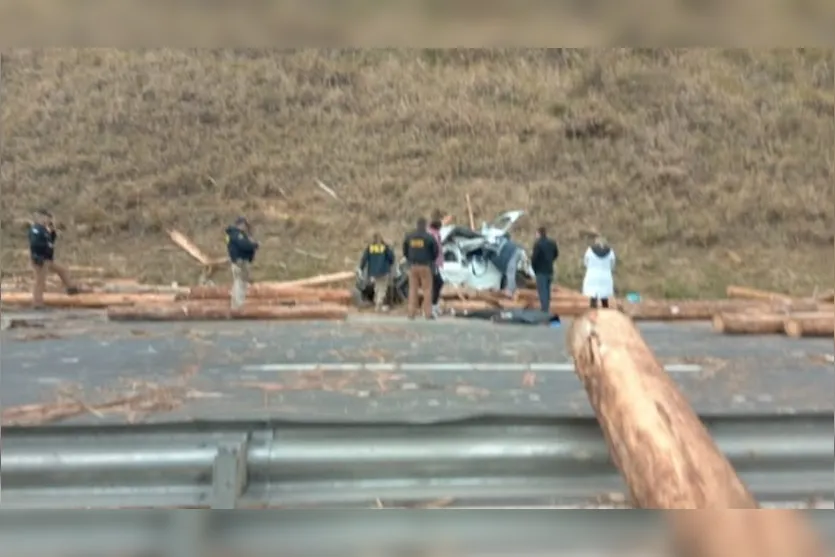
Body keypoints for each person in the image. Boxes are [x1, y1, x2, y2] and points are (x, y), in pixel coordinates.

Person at [28, 209, 80, 309]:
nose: (48, 220)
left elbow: (51, 241)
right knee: (40, 281)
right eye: (47, 218)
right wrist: (42, 251)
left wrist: (52, 233)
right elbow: (34, 244)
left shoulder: (44, 230)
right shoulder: (36, 229)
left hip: (48, 259)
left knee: (62, 270)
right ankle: (37, 302)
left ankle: (71, 288)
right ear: (41, 218)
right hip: (40, 259)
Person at [402, 217, 439, 319]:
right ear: (425, 226)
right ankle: (427, 314)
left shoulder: (409, 236)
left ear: (417, 225)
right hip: (425, 266)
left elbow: (404, 250)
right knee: (427, 290)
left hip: (413, 266)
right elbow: (436, 251)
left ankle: (411, 313)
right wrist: (431, 259)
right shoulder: (429, 237)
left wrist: (409, 258)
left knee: (412, 290)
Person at [225, 217, 259, 309]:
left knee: (239, 282)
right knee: (240, 283)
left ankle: (236, 304)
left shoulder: (233, 234)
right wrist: (254, 245)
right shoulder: (236, 234)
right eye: (245, 225)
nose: (246, 228)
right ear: (241, 224)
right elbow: (244, 245)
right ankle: (238, 305)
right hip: (240, 262)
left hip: (239, 261)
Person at [358, 232, 395, 311]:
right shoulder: (384, 247)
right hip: (384, 270)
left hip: (373, 271)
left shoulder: (370, 247)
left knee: (377, 287)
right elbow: (391, 257)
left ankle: (377, 302)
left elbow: (364, 258)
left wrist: (361, 268)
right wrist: (390, 264)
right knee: (382, 288)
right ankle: (379, 304)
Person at [530, 226, 559, 313]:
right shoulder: (552, 243)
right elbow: (556, 254)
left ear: (539, 233)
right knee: (547, 289)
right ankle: (547, 306)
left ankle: (544, 309)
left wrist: (533, 268)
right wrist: (551, 260)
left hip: (540, 270)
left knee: (542, 290)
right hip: (549, 269)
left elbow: (534, 258)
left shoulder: (538, 244)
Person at [582, 236, 616, 308]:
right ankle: (605, 315)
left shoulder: (590, 250)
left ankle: (593, 313)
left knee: (593, 297)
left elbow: (585, 262)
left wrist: (591, 267)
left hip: (592, 275)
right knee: (604, 298)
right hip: (605, 275)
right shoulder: (610, 251)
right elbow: (612, 264)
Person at [492, 234, 523, 299]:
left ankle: (510, 291)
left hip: (513, 254)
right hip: (515, 253)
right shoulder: (505, 242)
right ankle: (512, 289)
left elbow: (499, 253)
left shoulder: (502, 242)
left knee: (510, 272)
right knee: (509, 272)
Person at [428, 210, 445, 317]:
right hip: (431, 263)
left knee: (436, 284)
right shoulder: (433, 235)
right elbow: (434, 249)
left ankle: (434, 305)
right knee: (437, 283)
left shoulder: (431, 233)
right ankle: (432, 307)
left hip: (432, 263)